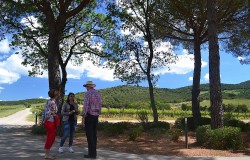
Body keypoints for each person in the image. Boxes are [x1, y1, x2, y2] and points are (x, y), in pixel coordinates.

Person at [81, 81, 102, 159]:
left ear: (88, 86)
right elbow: (100, 105)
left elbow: (86, 106)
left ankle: (91, 154)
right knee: (94, 135)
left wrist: (83, 116)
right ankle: (94, 153)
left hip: (89, 116)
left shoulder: (88, 93)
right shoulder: (98, 94)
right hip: (96, 116)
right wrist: (98, 114)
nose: (86, 88)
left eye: (86, 86)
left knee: (89, 135)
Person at [42, 89, 60, 159]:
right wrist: (47, 119)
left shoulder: (48, 101)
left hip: (48, 121)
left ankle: (47, 154)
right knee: (51, 137)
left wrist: (44, 120)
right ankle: (47, 155)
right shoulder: (52, 102)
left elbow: (45, 112)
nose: (58, 94)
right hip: (50, 121)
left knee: (51, 137)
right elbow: (50, 113)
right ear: (55, 95)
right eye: (57, 93)